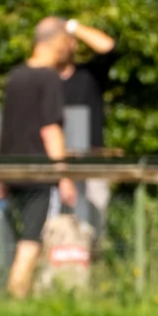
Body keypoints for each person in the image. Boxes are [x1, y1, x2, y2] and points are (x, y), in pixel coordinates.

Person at [0, 18, 77, 298]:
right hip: (38, 172)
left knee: (15, 237)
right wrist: (63, 174)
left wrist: (0, 173)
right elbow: (50, 129)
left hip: (10, 169)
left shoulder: (14, 76)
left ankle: (15, 292)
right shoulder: (49, 77)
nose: (71, 48)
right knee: (31, 240)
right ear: (56, 41)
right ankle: (15, 298)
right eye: (68, 41)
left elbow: (6, 128)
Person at [57, 17, 119, 237]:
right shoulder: (43, 80)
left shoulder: (89, 75)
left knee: (93, 229)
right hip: (57, 165)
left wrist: (72, 27)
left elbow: (108, 47)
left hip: (92, 163)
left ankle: (94, 267)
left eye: (67, 40)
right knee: (57, 229)